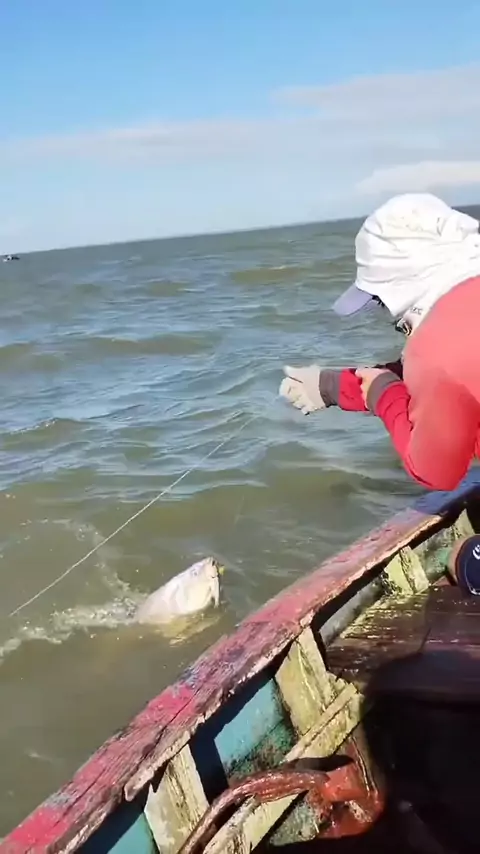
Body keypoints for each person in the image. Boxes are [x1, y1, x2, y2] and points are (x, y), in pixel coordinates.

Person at [279, 193, 480, 492]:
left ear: (400, 286)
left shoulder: (438, 348)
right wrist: (333, 386)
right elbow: (458, 381)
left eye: (380, 302)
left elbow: (436, 472)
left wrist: (382, 395)